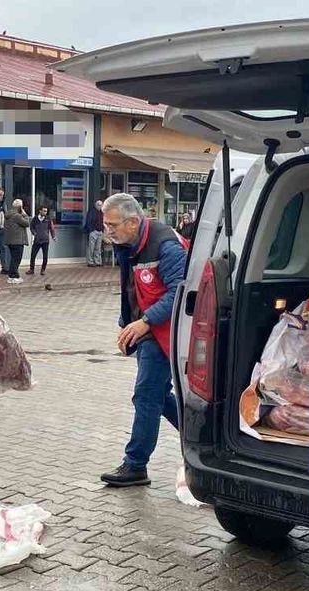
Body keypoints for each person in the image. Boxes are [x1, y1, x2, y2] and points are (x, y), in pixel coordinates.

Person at [99, 193, 187, 488]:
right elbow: (130, 287)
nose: (108, 231)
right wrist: (126, 323)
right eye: (105, 225)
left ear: (133, 222)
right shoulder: (127, 243)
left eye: (112, 225)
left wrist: (145, 322)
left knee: (146, 395)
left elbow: (180, 293)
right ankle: (201, 436)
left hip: (164, 330)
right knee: (159, 395)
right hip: (148, 328)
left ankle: (136, 465)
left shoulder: (166, 247)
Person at [4, 198, 30, 284]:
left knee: (13, 259)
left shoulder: (8, 214)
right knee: (16, 259)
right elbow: (27, 223)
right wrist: (25, 214)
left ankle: (12, 275)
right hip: (17, 241)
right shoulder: (17, 216)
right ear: (20, 207)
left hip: (10, 241)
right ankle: (13, 276)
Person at [27, 206, 55, 276]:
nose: (45, 212)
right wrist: (34, 233)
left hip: (45, 240)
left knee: (45, 256)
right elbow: (31, 227)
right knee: (33, 255)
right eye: (44, 211)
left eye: (46, 211)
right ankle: (31, 269)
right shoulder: (35, 218)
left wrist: (53, 236)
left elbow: (52, 228)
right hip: (37, 240)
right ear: (40, 211)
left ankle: (43, 270)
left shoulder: (48, 219)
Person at [84, 199, 105, 267]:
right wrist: (91, 230)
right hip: (94, 231)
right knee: (91, 247)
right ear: (95, 205)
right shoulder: (92, 212)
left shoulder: (102, 212)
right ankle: (90, 262)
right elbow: (88, 221)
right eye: (99, 205)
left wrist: (102, 230)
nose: (100, 206)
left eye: (101, 205)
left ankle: (98, 261)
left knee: (98, 248)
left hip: (100, 232)